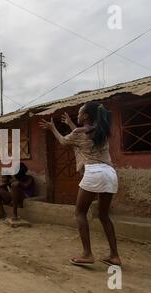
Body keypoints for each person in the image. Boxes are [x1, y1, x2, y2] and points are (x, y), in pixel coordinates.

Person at [40, 101, 121, 267]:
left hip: (94, 173)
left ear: (85, 116)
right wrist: (70, 124)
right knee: (104, 215)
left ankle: (87, 254)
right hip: (110, 173)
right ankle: (115, 256)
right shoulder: (102, 131)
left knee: (80, 212)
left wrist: (52, 128)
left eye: (79, 113)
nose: (77, 115)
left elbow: (63, 141)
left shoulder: (79, 132)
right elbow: (82, 140)